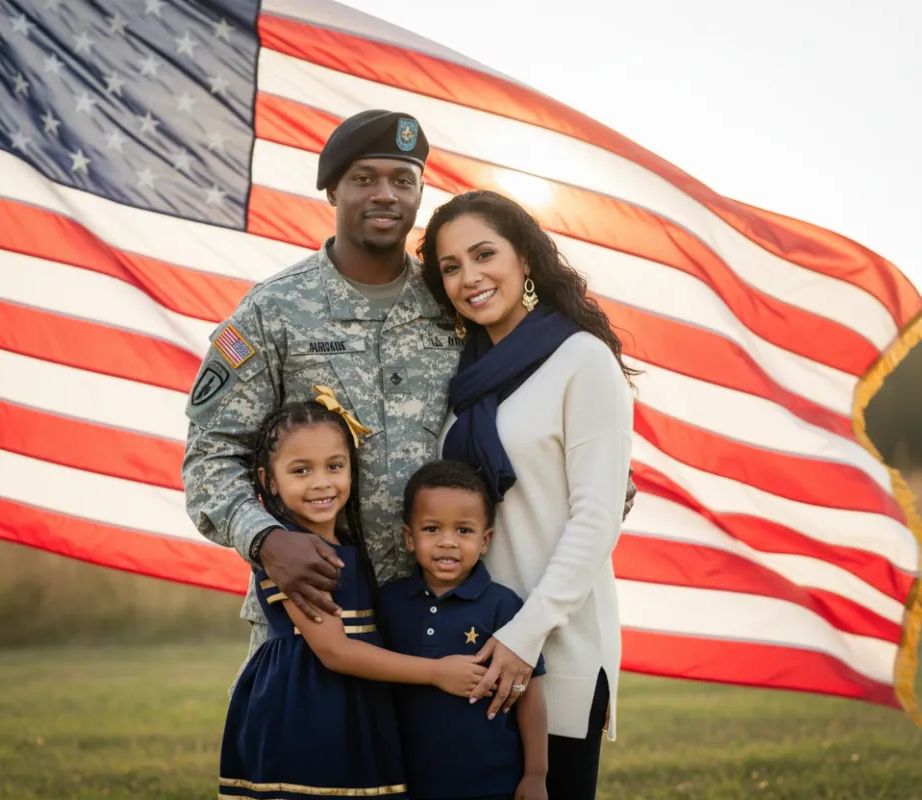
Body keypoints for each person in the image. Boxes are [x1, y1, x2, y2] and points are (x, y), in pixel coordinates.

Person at [182, 109, 463, 661]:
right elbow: (211, 458)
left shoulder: (454, 304)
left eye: (403, 180)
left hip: (440, 612)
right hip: (313, 614)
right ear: (332, 192)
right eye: (364, 179)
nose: (386, 194)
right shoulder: (273, 310)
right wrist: (266, 540)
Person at [417, 189, 640, 799]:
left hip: (554, 648)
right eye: (451, 267)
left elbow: (596, 518)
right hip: (471, 653)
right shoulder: (463, 377)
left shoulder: (581, 360)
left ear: (525, 258)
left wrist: (524, 635)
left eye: (484, 254)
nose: (470, 277)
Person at [218, 393, 491, 799]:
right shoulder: (293, 554)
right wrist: (437, 672)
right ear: (268, 481)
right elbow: (336, 653)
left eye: (334, 466)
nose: (321, 482)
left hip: (349, 704)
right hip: (308, 710)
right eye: (300, 470)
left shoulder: (342, 543)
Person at [380, 459, 548, 800]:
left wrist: (535, 774)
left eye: (463, 530)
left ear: (485, 540)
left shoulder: (503, 604)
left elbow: (530, 694)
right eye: (431, 529)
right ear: (409, 538)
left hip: (491, 784)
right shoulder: (387, 602)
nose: (447, 542)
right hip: (403, 782)